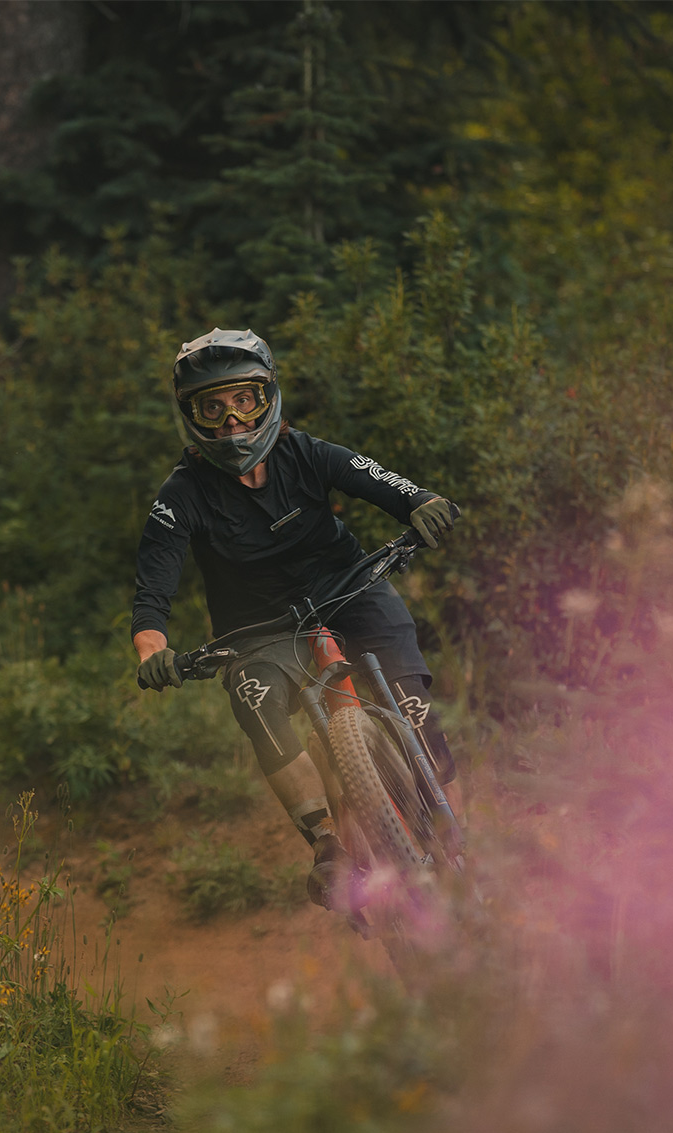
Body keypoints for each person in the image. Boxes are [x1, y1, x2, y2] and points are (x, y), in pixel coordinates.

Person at [131, 328, 461, 912]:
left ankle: (445, 819)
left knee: (414, 707)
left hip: (351, 590)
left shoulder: (306, 452)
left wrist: (422, 502)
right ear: (192, 416)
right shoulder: (179, 495)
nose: (231, 421)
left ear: (267, 398)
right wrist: (153, 651)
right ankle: (328, 847)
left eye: (243, 401)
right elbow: (152, 589)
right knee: (256, 701)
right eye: (213, 407)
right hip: (255, 632)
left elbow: (381, 480)